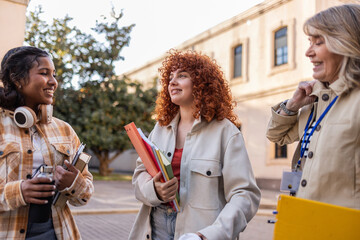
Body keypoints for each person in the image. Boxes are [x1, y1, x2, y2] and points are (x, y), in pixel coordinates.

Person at [129, 49, 260, 240]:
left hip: (200, 231)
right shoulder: (160, 128)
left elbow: (245, 195)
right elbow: (140, 175)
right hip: (156, 227)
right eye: (170, 77)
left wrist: (208, 236)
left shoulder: (226, 132)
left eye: (182, 75)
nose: (172, 82)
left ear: (201, 83)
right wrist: (154, 190)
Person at [266, 4, 360, 209]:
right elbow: (276, 136)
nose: (308, 52)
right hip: (306, 220)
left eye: (318, 42)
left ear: (345, 43)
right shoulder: (315, 98)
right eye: (310, 42)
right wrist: (291, 106)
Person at [0, 46, 94, 239]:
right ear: (17, 79)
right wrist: (19, 191)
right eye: (44, 73)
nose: (53, 82)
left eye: (54, 74)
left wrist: (74, 183)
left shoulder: (64, 129)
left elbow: (85, 195)